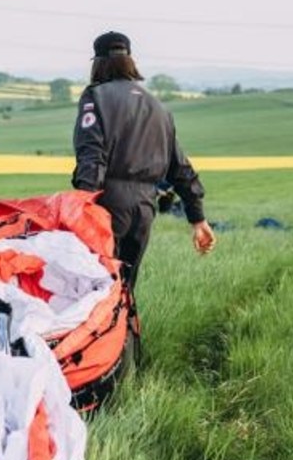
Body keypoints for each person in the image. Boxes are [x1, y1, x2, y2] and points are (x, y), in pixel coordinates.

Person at [71, 31, 215, 294]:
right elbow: (180, 167)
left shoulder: (96, 97)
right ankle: (129, 336)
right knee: (126, 290)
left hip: (107, 205)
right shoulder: (157, 106)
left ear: (98, 63)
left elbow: (91, 156)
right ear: (130, 61)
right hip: (144, 210)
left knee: (96, 292)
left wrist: (82, 206)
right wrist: (198, 218)